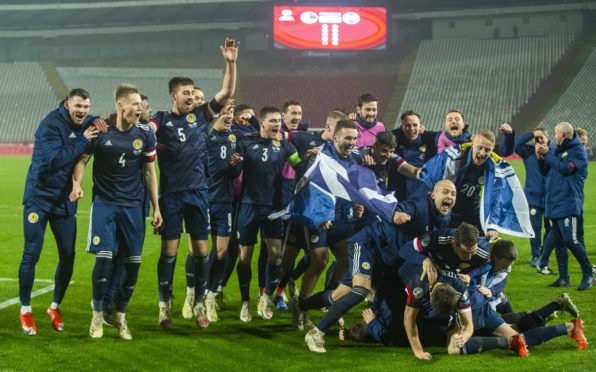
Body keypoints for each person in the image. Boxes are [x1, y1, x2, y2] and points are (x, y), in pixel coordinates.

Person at [148, 38, 239, 329]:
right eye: (185, 93)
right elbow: (146, 128)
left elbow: (226, 92)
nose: (191, 97)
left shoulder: (201, 116)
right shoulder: (161, 120)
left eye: (192, 92)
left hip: (199, 194)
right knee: (169, 252)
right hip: (171, 196)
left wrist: (230, 62)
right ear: (173, 95)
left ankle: (199, 302)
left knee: (201, 252)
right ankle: (165, 306)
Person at [302, 180, 456, 353]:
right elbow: (400, 208)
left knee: (338, 296)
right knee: (361, 291)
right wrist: (396, 213)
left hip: (386, 261)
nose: (449, 196)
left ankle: (300, 306)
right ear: (433, 194)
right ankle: (316, 333)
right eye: (446, 192)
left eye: (453, 194)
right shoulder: (419, 205)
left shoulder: (444, 218)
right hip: (368, 246)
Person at [70, 84, 162, 340]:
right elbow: (82, 160)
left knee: (133, 264)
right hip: (105, 204)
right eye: (134, 104)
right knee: (105, 257)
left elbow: (148, 172)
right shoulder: (101, 132)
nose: (140, 108)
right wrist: (77, 184)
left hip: (133, 207)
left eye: (140, 104)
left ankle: (118, 314)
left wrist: (156, 207)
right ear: (120, 106)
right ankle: (97, 314)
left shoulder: (146, 135)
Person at [18, 89, 105, 336]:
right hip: (39, 198)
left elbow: (102, 126)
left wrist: (101, 121)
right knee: (31, 253)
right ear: (67, 104)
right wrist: (84, 139)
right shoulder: (50, 125)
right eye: (78, 106)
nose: (83, 111)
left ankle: (55, 306)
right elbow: (54, 160)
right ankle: (25, 309)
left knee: (68, 255)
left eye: (86, 107)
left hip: (65, 200)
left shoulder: (88, 122)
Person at [234, 106, 301, 322]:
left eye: (278, 121)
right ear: (261, 123)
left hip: (273, 208)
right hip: (248, 205)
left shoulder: (284, 145)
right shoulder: (245, 142)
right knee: (244, 257)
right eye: (272, 121)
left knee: (276, 255)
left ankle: (266, 298)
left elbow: (300, 165)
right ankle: (245, 302)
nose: (277, 125)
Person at [418, 129, 525, 239]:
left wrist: (492, 226)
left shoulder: (492, 166)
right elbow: (431, 180)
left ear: (493, 149)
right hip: (449, 212)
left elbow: (495, 197)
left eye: (487, 150)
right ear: (473, 142)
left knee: (485, 242)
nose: (483, 153)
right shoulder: (454, 158)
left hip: (472, 211)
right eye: (479, 147)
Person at [535, 122, 593, 290]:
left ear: (563, 134)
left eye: (556, 133)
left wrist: (548, 156)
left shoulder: (578, 152)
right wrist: (541, 157)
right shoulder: (557, 150)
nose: (554, 136)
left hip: (568, 202)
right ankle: (563, 278)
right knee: (559, 243)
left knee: (571, 240)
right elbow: (546, 171)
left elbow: (565, 169)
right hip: (555, 203)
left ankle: (588, 273)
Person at [203, 100, 241, 322]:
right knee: (199, 252)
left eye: (232, 112)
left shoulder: (234, 137)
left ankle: (210, 296)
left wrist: (236, 165)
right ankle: (195, 294)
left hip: (225, 201)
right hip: (205, 200)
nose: (229, 116)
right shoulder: (206, 139)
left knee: (220, 253)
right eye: (225, 112)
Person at [514, 128, 553, 270]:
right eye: (537, 140)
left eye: (543, 139)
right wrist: (531, 134)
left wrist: (546, 144)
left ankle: (545, 252)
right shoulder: (529, 152)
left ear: (548, 140)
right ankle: (536, 256)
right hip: (532, 198)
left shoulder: (553, 153)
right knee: (534, 229)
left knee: (551, 229)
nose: (540, 142)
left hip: (551, 198)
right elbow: (514, 144)